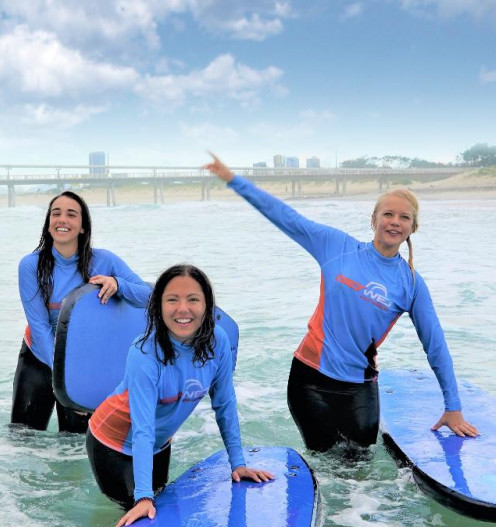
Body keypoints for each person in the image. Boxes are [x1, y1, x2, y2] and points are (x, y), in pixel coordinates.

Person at [202, 152, 479, 454]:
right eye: (388, 214)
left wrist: (453, 407)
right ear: (374, 220)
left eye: (404, 217)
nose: (395, 222)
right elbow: (284, 216)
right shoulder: (335, 246)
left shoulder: (411, 283)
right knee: (325, 466)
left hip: (360, 389)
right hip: (309, 381)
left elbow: (435, 344)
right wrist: (234, 180)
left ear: (413, 227)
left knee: (359, 472)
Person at [86, 264, 274, 527]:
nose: (182, 309)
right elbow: (142, 428)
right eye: (172, 300)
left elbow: (225, 404)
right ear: (158, 307)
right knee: (136, 515)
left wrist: (238, 463)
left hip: (159, 444)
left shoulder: (217, 342)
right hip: (112, 443)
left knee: (159, 509)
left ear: (207, 305)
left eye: (193, 299)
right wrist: (142, 496)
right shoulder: (144, 354)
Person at [12, 191, 151, 433]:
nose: (62, 219)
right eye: (56, 214)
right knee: (24, 440)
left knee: (74, 447)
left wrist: (119, 285)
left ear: (83, 227)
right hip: (38, 358)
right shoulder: (30, 265)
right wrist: (66, 379)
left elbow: (150, 297)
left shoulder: (104, 260)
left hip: (85, 363)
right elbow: (39, 325)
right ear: (48, 225)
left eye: (71, 214)